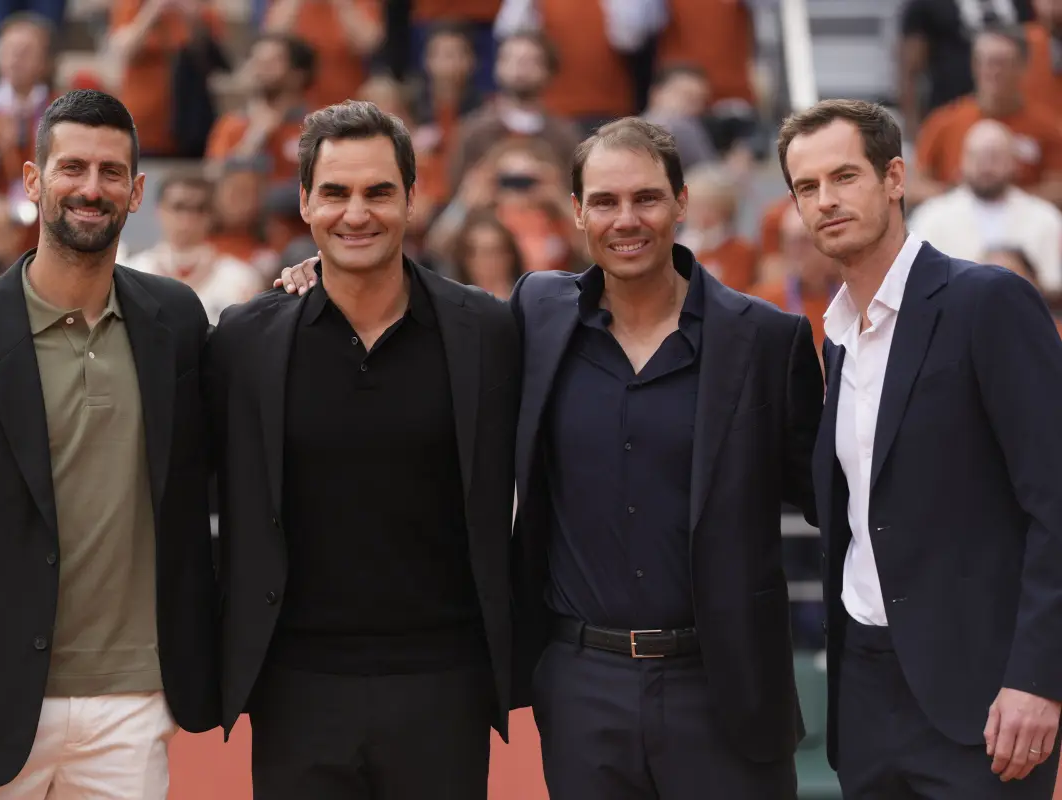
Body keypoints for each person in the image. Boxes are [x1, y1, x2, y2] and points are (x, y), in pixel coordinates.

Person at [277, 116, 824, 799]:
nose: (626, 220)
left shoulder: (768, 340)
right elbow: (419, 306)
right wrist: (323, 272)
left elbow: (835, 499)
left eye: (646, 198)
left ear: (681, 203)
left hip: (724, 686)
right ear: (576, 212)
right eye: (604, 201)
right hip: (580, 685)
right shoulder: (538, 312)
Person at [0, 88, 220, 799]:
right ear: (33, 180)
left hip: (133, 701)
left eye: (112, 173)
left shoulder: (174, 320)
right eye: (73, 168)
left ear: (137, 191)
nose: (92, 189)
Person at [205, 100, 519, 800]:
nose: (357, 213)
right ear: (307, 205)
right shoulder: (244, 341)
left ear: (412, 198)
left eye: (379, 191)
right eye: (336, 193)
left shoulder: (488, 333)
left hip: (447, 684)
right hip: (296, 688)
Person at [779, 98, 1062, 799]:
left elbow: (1056, 501)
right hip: (867, 694)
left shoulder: (986, 303)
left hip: (984, 703)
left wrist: (1037, 678)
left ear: (895, 177)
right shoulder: (839, 337)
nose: (826, 201)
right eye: (807, 187)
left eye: (844, 176)